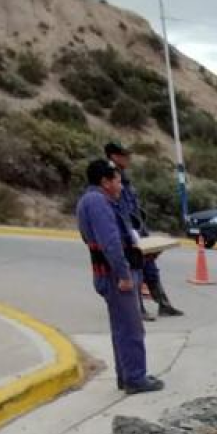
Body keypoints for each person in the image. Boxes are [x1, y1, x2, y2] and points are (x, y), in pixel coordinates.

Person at [76, 159, 165, 395]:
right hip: (116, 276)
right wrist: (124, 274)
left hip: (113, 273)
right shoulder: (97, 203)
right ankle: (135, 378)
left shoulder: (96, 201)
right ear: (105, 182)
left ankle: (126, 376)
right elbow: (111, 243)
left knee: (122, 328)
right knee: (131, 329)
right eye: (117, 180)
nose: (121, 186)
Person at [105, 142, 184, 319]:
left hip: (137, 229)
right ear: (114, 156)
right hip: (127, 232)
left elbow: (133, 207)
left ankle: (163, 304)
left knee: (150, 267)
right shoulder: (109, 178)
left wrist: (143, 229)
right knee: (136, 268)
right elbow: (118, 208)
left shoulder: (123, 177)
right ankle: (137, 308)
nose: (128, 158)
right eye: (124, 155)